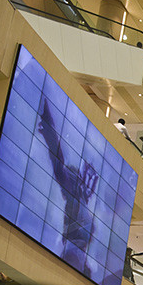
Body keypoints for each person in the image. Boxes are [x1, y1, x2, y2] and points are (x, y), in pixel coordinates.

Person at [38, 99, 99, 276]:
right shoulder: (77, 198)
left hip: (76, 250)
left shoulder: (78, 197)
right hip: (75, 250)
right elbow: (58, 161)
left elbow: (58, 162)